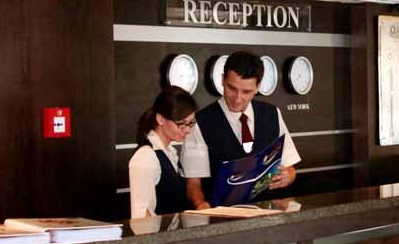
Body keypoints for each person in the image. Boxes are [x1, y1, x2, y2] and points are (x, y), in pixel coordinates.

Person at [182, 51, 301, 209]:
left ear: (258, 87)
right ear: (222, 80)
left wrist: (289, 175)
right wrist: (200, 205)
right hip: (223, 216)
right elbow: (193, 183)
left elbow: (290, 168)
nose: (237, 98)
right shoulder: (201, 121)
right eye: (232, 88)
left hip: (269, 214)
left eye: (246, 92)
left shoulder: (272, 114)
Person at [128, 86, 198, 218]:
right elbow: (141, 215)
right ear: (160, 119)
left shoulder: (169, 152)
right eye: (181, 124)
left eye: (190, 123)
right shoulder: (146, 156)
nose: (187, 130)